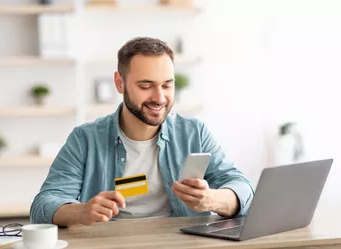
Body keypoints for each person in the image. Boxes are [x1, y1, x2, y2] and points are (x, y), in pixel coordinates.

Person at [30, 37, 254, 226]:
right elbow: (43, 204)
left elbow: (243, 189)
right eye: (145, 86)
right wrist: (81, 211)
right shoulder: (86, 139)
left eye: (167, 85)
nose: (159, 98)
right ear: (120, 83)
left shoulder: (194, 132)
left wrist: (212, 200)